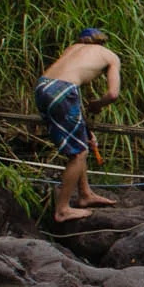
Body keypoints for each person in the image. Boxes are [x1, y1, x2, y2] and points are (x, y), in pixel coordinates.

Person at [34, 27, 123, 223]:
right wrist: (97, 105)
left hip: (43, 86)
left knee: (82, 142)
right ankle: (63, 209)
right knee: (79, 154)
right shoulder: (109, 56)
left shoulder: (72, 49)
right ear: (101, 42)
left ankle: (85, 194)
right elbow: (112, 94)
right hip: (63, 90)